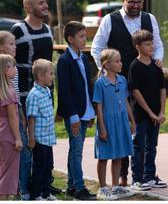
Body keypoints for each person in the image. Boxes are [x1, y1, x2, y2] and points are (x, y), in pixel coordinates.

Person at [91, 0, 164, 185]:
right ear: (123, 0)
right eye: (131, 2)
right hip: (119, 84)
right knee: (124, 129)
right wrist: (107, 72)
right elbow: (97, 47)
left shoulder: (150, 18)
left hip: (145, 81)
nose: (135, 5)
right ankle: (122, 175)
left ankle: (148, 174)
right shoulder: (109, 19)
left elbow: (157, 44)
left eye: (139, 2)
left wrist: (157, 60)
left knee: (148, 130)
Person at [56, 21, 97, 200]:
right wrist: (73, 116)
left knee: (75, 150)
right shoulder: (64, 61)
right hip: (74, 114)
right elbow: (64, 91)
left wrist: (92, 111)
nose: (85, 39)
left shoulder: (85, 59)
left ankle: (71, 186)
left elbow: (88, 87)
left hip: (85, 112)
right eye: (81, 37)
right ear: (70, 39)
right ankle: (79, 188)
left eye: (85, 36)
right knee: (76, 150)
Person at [93, 49, 135, 200]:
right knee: (104, 156)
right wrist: (102, 128)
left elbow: (126, 101)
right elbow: (99, 107)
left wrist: (132, 120)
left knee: (119, 154)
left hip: (121, 121)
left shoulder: (123, 80)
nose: (121, 63)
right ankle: (103, 188)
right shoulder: (100, 83)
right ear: (107, 65)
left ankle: (115, 186)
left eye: (120, 60)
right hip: (108, 123)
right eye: (117, 61)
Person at [129, 30, 167, 191]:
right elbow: (135, 92)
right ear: (138, 46)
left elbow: (163, 89)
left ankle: (150, 176)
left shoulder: (156, 65)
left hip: (157, 115)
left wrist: (162, 112)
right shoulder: (134, 66)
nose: (152, 46)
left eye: (152, 43)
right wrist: (151, 113)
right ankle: (137, 179)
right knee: (139, 145)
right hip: (141, 115)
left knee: (152, 146)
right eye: (147, 44)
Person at [0, 31, 31, 200]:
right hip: (9, 119)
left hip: (10, 113)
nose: (15, 47)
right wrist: (18, 135)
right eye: (11, 44)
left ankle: (18, 189)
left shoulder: (11, 69)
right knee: (16, 158)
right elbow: (12, 109)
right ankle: (19, 192)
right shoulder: (8, 86)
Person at [11, 0, 54, 113]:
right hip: (25, 96)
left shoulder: (49, 30)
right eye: (41, 3)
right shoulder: (18, 30)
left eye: (45, 1)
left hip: (47, 94)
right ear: (28, 8)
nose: (45, 5)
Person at [26, 59, 56, 200]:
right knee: (39, 168)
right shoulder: (34, 95)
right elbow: (31, 119)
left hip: (48, 138)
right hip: (39, 139)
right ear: (40, 75)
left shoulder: (46, 91)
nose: (53, 76)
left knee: (49, 166)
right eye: (50, 74)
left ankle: (46, 193)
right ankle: (36, 195)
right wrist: (31, 138)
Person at [0, 54, 22, 200]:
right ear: (7, 69)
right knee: (7, 175)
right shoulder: (10, 92)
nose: (15, 69)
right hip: (9, 135)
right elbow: (13, 117)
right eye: (13, 66)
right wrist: (18, 138)